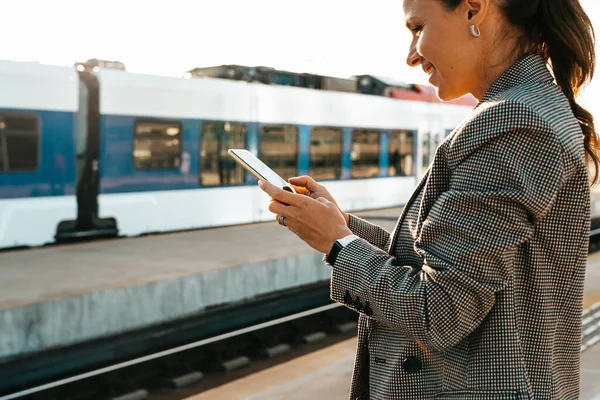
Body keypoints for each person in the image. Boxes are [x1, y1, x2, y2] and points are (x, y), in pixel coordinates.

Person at [258, 0, 598, 398]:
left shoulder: (514, 121)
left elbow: (440, 310)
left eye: (417, 27)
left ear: (474, 10)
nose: (411, 55)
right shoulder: (527, 108)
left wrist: (337, 244)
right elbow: (445, 265)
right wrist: (342, 226)